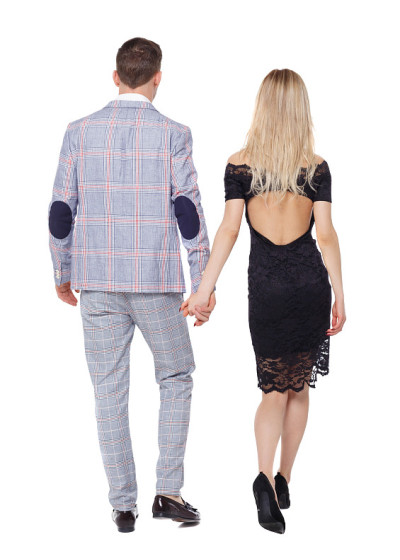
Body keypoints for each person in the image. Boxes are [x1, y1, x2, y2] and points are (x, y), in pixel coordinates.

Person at [48, 37, 215, 533]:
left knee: (108, 391)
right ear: (158, 77)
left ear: (115, 77)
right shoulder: (174, 134)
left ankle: (123, 506)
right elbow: (188, 212)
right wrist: (202, 283)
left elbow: (60, 212)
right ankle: (168, 492)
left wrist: (62, 273)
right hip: (155, 283)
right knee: (176, 376)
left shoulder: (79, 132)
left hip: (96, 284)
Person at [181, 69, 346, 534]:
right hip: (310, 286)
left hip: (267, 289)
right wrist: (340, 292)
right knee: (299, 388)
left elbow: (230, 231)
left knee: (273, 390)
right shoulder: (316, 167)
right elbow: (326, 235)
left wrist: (204, 290)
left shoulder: (240, 165)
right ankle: (284, 478)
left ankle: (263, 478)